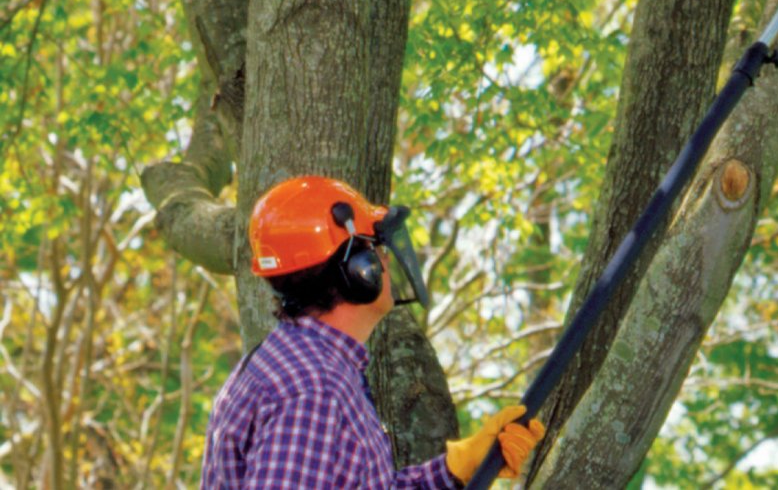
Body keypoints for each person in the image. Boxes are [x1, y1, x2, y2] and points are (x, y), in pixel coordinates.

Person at [201, 175, 545, 489]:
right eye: (376, 247)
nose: (386, 260)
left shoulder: (308, 365)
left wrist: (458, 468)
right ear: (357, 270)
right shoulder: (314, 388)